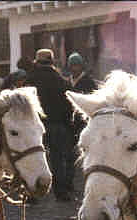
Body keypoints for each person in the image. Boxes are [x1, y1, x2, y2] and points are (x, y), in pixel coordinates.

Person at [25, 49, 74, 201]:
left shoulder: (30, 80)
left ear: (37, 62)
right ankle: (60, 192)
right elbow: (69, 106)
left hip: (36, 126)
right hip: (57, 125)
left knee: (33, 158)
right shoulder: (61, 80)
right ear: (52, 61)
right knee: (57, 160)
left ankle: (33, 192)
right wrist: (67, 124)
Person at [66, 52, 98, 192]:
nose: (75, 68)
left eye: (77, 65)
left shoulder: (89, 82)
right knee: (69, 154)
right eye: (72, 65)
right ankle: (69, 180)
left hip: (83, 123)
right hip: (69, 123)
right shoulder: (66, 82)